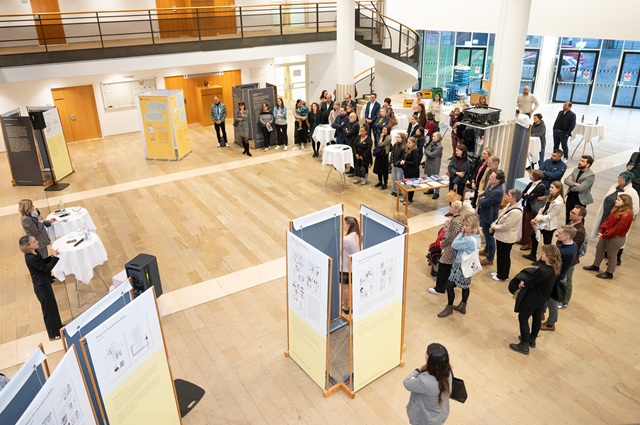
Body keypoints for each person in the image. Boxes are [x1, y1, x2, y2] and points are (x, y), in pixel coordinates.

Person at [508, 245, 562, 355]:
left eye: (543, 254)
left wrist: (523, 283)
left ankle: (524, 345)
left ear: (548, 257)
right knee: (537, 317)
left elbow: (532, 282)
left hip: (532, 298)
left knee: (523, 318)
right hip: (542, 298)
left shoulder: (543, 270)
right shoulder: (554, 269)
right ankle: (532, 339)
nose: (540, 255)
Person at [590, 171, 639, 265]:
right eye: (619, 177)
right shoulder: (614, 186)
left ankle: (616, 259)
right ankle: (602, 256)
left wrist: (623, 213)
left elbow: (635, 209)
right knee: (604, 237)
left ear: (629, 181)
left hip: (619, 219)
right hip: (607, 215)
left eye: (623, 178)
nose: (620, 179)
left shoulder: (633, 193)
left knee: (615, 239)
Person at [19, 235, 63, 341]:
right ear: (29, 246)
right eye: (34, 241)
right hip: (41, 287)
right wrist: (55, 258)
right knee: (48, 310)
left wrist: (51, 257)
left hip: (45, 283)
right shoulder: (30, 258)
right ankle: (53, 334)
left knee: (52, 307)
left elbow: (42, 263)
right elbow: (46, 269)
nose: (37, 241)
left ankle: (59, 328)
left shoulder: (34, 252)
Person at [437, 214, 481, 317]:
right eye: (463, 225)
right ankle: (463, 305)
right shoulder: (476, 237)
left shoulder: (468, 239)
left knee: (449, 285)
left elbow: (454, 244)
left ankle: (449, 307)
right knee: (465, 286)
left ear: (473, 226)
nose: (464, 227)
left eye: (467, 225)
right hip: (469, 265)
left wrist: (461, 233)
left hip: (460, 265)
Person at [584, 194, 634, 279]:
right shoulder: (616, 210)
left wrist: (604, 235)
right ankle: (596, 265)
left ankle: (609, 273)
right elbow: (607, 221)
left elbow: (618, 229)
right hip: (607, 234)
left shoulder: (627, 214)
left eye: (618, 200)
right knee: (599, 248)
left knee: (611, 255)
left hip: (616, 237)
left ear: (625, 202)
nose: (616, 201)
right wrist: (601, 231)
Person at [403, 342, 452, 425]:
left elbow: (406, 383)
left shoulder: (424, 381)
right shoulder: (447, 372)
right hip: (439, 416)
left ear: (428, 358)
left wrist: (416, 371)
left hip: (424, 420)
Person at [541, 225, 578, 331]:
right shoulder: (573, 245)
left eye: (560, 233)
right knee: (546, 296)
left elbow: (551, 263)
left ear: (567, 236)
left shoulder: (563, 252)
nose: (557, 234)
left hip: (556, 278)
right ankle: (541, 312)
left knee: (552, 302)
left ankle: (550, 323)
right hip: (559, 275)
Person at [523, 181, 565, 264]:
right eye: (550, 187)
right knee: (534, 236)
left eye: (552, 187)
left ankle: (544, 260)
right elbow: (543, 209)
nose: (550, 189)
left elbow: (549, 216)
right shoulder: (551, 197)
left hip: (549, 225)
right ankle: (533, 255)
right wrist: (536, 217)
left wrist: (537, 220)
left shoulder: (559, 202)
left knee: (547, 243)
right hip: (541, 221)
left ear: (558, 189)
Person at [429, 201, 465, 296]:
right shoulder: (459, 219)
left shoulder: (456, 221)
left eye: (452, 207)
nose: (450, 208)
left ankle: (439, 288)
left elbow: (451, 237)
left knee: (443, 268)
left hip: (450, 248)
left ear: (457, 209)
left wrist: (443, 244)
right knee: (447, 268)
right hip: (452, 247)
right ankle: (445, 285)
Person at [490, 188, 523, 281]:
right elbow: (500, 217)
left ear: (514, 198)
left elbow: (506, 226)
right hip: (501, 236)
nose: (506, 196)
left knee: (504, 257)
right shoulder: (509, 205)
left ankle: (503, 275)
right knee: (500, 255)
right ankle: (499, 272)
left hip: (507, 238)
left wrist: (494, 227)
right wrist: (494, 224)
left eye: (509, 195)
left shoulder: (516, 212)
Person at [477, 169, 506, 266]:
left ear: (498, 180)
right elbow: (484, 194)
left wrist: (481, 199)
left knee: (489, 237)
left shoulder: (497, 191)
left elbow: (485, 202)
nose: (490, 178)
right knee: (486, 233)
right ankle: (486, 250)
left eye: (492, 177)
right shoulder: (491, 185)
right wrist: (482, 197)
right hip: (484, 213)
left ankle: (490, 258)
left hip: (490, 216)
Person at [560, 206, 586, 309]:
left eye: (574, 213)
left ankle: (565, 301)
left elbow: (573, 247)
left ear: (580, 217)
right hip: (562, 255)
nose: (570, 213)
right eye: (571, 211)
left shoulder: (580, 231)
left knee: (567, 280)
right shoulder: (571, 223)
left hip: (569, 259)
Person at [519, 170, 546, 251]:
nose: (529, 175)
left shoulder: (541, 187)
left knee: (529, 227)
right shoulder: (531, 183)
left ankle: (529, 243)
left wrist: (527, 195)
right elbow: (522, 193)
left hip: (533, 209)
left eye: (531, 174)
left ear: (536, 177)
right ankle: (523, 240)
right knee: (524, 224)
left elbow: (531, 198)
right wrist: (527, 195)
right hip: (526, 206)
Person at [563, 155, 595, 223]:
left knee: (578, 218)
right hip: (570, 197)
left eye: (583, 161)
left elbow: (581, 188)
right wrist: (575, 184)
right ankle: (567, 228)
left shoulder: (590, 175)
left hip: (580, 200)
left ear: (588, 165)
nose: (580, 162)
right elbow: (565, 180)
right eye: (580, 160)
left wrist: (571, 185)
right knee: (568, 215)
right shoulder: (576, 169)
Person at [341, 216, 361, 314]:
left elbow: (338, 251)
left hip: (346, 267)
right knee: (351, 287)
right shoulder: (358, 235)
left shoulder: (346, 239)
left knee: (345, 288)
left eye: (344, 224)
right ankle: (351, 304)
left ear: (349, 225)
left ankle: (345, 307)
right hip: (355, 266)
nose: (343, 225)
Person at [400, 137, 421, 204]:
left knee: (411, 186)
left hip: (412, 172)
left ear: (413, 143)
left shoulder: (415, 151)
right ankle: (406, 197)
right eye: (407, 142)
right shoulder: (408, 150)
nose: (408, 144)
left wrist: (405, 162)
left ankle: (409, 199)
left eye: (409, 143)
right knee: (407, 185)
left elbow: (415, 163)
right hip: (407, 170)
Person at [424, 132, 443, 199]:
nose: (433, 138)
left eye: (434, 136)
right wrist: (427, 152)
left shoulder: (439, 147)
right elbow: (426, 150)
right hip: (429, 163)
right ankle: (431, 189)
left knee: (435, 178)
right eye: (433, 136)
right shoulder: (431, 143)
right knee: (429, 177)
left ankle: (437, 193)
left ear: (438, 138)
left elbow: (432, 155)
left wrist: (427, 152)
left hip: (434, 164)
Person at [390, 132, 407, 197]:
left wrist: (396, 163)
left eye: (398, 137)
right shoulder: (395, 145)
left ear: (402, 138)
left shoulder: (404, 147)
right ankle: (394, 190)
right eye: (397, 137)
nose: (397, 138)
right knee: (393, 178)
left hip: (399, 166)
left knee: (399, 178)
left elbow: (403, 157)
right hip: (394, 164)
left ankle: (399, 191)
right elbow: (392, 154)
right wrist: (392, 162)